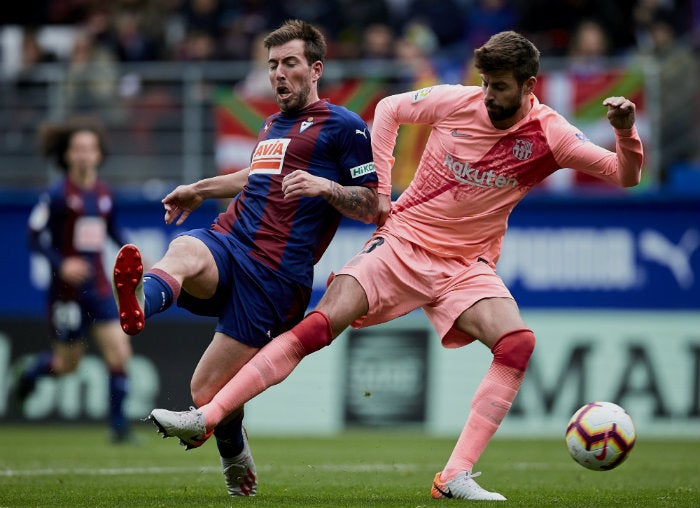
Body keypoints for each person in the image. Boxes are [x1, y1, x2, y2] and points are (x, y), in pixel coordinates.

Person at [148, 30, 644, 500]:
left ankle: (454, 475)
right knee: (321, 325)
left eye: (500, 87)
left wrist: (624, 133)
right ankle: (209, 415)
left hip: (464, 264)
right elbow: (388, 109)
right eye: (486, 84)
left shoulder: (551, 134)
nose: (488, 96)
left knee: (517, 344)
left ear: (529, 86)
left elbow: (624, 175)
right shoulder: (457, 101)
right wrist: (382, 193)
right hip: (403, 242)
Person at [112, 19, 378, 497]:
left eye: (289, 63)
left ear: (315, 69)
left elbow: (375, 204)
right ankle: (138, 305)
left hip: (275, 279)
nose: (278, 73)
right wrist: (198, 188)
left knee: (204, 392)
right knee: (186, 248)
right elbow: (253, 176)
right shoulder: (271, 125)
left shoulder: (345, 127)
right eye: (272, 64)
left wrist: (326, 186)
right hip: (230, 243)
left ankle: (235, 458)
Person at [16, 116, 135, 443]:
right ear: (68, 155)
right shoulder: (56, 195)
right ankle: (30, 373)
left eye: (90, 149)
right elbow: (34, 235)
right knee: (67, 364)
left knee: (119, 352)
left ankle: (119, 429)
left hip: (97, 289)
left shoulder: (103, 194)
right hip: (65, 294)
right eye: (78, 149)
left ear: (99, 154)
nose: (84, 155)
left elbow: (113, 232)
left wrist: (135, 253)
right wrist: (61, 262)